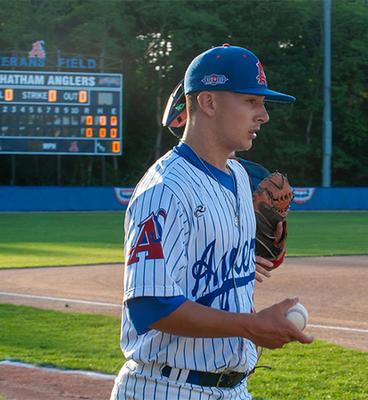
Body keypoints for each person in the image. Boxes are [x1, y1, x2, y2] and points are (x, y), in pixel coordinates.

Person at [111, 44, 313, 400]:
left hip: (233, 388)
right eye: (252, 101)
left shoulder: (238, 177)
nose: (263, 115)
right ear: (208, 103)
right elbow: (149, 305)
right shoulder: (165, 190)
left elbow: (213, 269)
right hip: (165, 387)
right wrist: (252, 326)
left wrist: (247, 257)